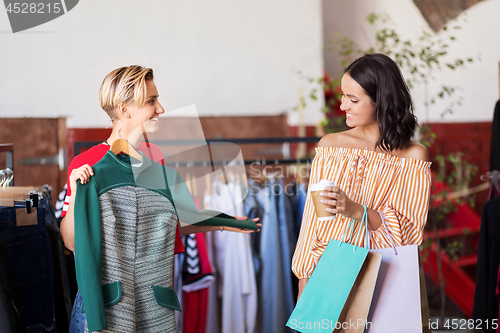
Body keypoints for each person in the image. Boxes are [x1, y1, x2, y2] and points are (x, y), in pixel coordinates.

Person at [60, 65, 260, 332]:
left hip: (152, 306)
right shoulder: (87, 164)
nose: (160, 109)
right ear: (125, 109)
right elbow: (72, 241)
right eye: (151, 101)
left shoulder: (155, 160)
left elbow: (178, 219)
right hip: (104, 305)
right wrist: (76, 194)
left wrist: (225, 222)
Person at [292, 53, 431, 300]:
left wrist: (357, 211)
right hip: (328, 272)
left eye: (353, 99)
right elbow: (313, 221)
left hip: (386, 277)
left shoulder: (413, 156)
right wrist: (305, 276)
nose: (343, 105)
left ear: (381, 101)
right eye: (343, 96)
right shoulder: (331, 146)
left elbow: (409, 233)